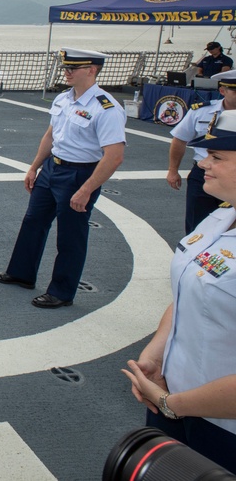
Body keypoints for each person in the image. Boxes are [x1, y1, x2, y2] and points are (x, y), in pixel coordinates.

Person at [122, 109, 236, 473]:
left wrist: (176, 404)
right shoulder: (220, 217)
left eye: (217, 157)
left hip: (221, 426)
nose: (203, 163)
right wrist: (156, 354)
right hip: (171, 399)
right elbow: (188, 294)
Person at [0, 48, 126, 308]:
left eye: (73, 68)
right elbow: (50, 136)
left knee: (71, 235)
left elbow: (114, 156)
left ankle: (62, 291)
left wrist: (87, 189)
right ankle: (21, 273)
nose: (67, 71)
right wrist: (34, 167)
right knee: (33, 222)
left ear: (92, 70)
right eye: (66, 67)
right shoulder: (63, 99)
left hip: (80, 173)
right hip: (52, 168)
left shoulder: (106, 108)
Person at [166, 70, 236, 233]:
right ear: (222, 91)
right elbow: (180, 139)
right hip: (204, 174)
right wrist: (172, 170)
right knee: (197, 225)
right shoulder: (201, 111)